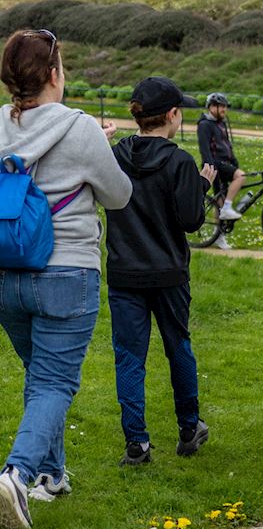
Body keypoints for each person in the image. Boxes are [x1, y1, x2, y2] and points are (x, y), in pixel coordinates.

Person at [0, 29, 132, 529]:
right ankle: (17, 475)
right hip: (66, 272)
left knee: (39, 377)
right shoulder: (79, 128)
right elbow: (119, 195)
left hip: (7, 275)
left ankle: (51, 476)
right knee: (54, 381)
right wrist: (99, 147)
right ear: (55, 74)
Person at [105, 77, 216, 468]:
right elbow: (190, 221)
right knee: (177, 348)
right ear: (172, 115)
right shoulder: (181, 162)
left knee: (129, 358)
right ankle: (189, 427)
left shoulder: (116, 155)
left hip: (124, 272)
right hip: (168, 272)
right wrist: (201, 186)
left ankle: (137, 443)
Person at [197, 93, 246, 240]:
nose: (224, 109)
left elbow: (227, 145)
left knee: (220, 199)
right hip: (215, 164)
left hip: (225, 162)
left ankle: (218, 237)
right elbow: (204, 148)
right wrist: (210, 166)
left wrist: (234, 160)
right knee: (240, 176)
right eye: (221, 106)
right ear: (212, 107)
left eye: (225, 106)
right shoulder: (205, 125)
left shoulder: (220, 123)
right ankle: (227, 208)